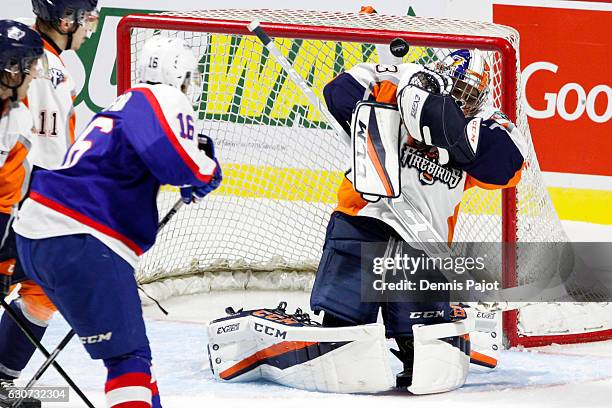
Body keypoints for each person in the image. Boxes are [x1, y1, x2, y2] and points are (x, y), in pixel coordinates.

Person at [13, 35, 221, 408]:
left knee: (47, 305)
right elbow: (176, 162)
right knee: (128, 361)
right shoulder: (163, 97)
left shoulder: (122, 103)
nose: (193, 86)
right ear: (179, 75)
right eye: (191, 77)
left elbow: (151, 156)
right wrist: (204, 170)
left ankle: (1, 378)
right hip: (82, 237)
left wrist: (190, 169)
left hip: (38, 233)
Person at [309, 49, 527, 391]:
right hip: (362, 219)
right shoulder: (401, 82)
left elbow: (509, 167)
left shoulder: (485, 125)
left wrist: (444, 130)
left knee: (421, 346)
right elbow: (338, 93)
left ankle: (419, 341)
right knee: (340, 331)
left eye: (471, 95)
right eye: (457, 90)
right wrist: (402, 95)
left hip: (422, 245)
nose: (463, 100)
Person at [0, 0, 99, 391]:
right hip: (25, 202)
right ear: (65, 20)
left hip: (26, 198)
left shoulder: (31, 52)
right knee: (43, 284)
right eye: (87, 18)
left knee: (42, 289)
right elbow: (48, 153)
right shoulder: (44, 67)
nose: (91, 27)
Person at [0, 19, 46, 408]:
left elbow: (7, 195)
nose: (34, 74)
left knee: (44, 281)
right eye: (28, 66)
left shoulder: (17, 118)